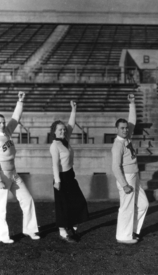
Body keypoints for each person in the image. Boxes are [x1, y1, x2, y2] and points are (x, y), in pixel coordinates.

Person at [0, 91, 40, 244]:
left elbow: (15, 118)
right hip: (2, 176)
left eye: (3, 122)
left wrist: (20, 101)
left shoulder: (7, 132)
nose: (2, 124)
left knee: (27, 199)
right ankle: (3, 236)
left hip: (13, 174)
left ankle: (30, 230)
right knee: (1, 207)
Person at [49, 100, 89, 243]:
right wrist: (57, 181)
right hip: (60, 177)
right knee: (62, 206)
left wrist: (74, 109)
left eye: (63, 129)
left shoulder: (65, 139)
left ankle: (71, 224)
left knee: (79, 201)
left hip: (70, 175)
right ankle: (63, 231)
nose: (63, 131)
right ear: (54, 132)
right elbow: (54, 165)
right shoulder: (55, 146)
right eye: (59, 130)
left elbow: (71, 124)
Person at [112, 94, 149, 244]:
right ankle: (123, 236)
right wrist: (124, 184)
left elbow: (132, 120)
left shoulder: (127, 138)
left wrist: (132, 103)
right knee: (126, 207)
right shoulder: (118, 145)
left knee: (143, 204)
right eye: (122, 128)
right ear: (117, 129)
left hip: (135, 176)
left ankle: (132, 231)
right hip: (126, 178)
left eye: (126, 128)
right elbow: (115, 167)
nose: (125, 130)